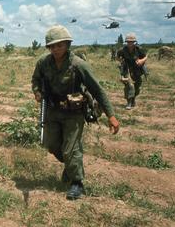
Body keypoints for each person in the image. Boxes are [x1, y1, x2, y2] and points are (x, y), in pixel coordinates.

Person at [32, 25, 120, 200]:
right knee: (51, 145)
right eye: (52, 46)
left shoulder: (78, 65)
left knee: (70, 149)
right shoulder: (43, 62)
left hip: (74, 113)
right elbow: (35, 79)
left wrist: (111, 115)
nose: (56, 49)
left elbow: (97, 90)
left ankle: (76, 183)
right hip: (52, 110)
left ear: (67, 44)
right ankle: (72, 166)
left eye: (60, 45)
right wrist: (37, 91)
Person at [117, 33, 148, 110]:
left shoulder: (139, 49)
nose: (129, 43)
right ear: (126, 42)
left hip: (137, 70)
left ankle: (133, 99)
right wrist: (120, 60)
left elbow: (145, 56)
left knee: (137, 87)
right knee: (130, 86)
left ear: (134, 42)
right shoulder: (123, 50)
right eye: (128, 42)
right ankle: (129, 102)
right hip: (127, 70)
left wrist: (141, 60)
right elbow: (117, 57)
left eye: (131, 42)